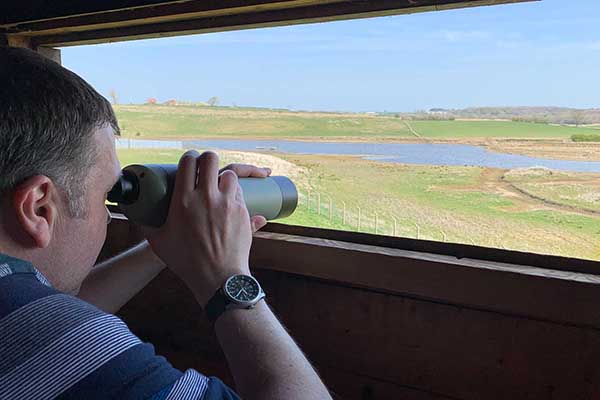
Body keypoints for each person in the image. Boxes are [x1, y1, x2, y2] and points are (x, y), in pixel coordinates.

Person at [0, 46, 331, 400]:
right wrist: (226, 277)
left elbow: (41, 311)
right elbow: (49, 327)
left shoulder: (22, 317)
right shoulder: (67, 347)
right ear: (38, 208)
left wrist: (167, 243)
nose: (110, 215)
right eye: (104, 196)